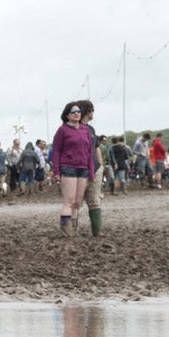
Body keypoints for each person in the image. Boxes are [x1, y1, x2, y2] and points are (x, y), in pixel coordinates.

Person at [51, 101, 94, 237]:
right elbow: (56, 151)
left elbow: (90, 151)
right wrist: (56, 171)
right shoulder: (62, 130)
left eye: (78, 112)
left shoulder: (85, 130)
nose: (76, 114)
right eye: (73, 112)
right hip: (68, 168)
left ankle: (73, 229)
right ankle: (66, 231)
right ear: (67, 115)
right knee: (68, 201)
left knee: (77, 202)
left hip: (83, 169)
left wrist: (91, 171)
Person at [75, 100, 104, 236]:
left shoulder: (91, 129)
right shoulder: (71, 128)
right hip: (78, 171)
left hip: (95, 169)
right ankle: (69, 231)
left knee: (94, 201)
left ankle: (97, 232)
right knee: (74, 202)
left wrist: (100, 166)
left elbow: (96, 148)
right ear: (89, 111)